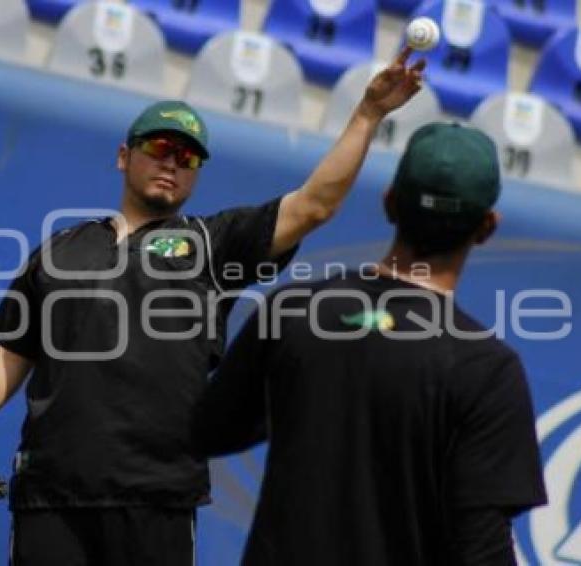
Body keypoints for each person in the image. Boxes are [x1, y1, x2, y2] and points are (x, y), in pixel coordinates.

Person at [0, 49, 426, 565]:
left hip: (156, 497)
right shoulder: (59, 251)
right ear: (124, 156)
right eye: (160, 147)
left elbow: (315, 204)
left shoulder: (214, 245)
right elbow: (9, 356)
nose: (172, 162)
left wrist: (367, 113)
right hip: (52, 495)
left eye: (187, 158)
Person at [192, 123, 548, 565]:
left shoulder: (292, 309)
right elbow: (483, 548)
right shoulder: (487, 369)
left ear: (390, 203)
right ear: (487, 227)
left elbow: (203, 432)